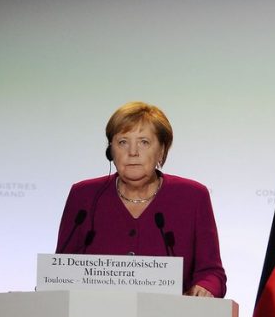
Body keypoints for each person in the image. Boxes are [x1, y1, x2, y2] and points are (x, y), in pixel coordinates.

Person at [55, 101, 227, 298]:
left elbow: (212, 273)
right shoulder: (84, 196)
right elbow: (61, 269)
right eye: (123, 142)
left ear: (162, 150)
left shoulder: (193, 197)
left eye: (144, 142)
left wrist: (206, 287)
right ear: (111, 151)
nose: (133, 152)